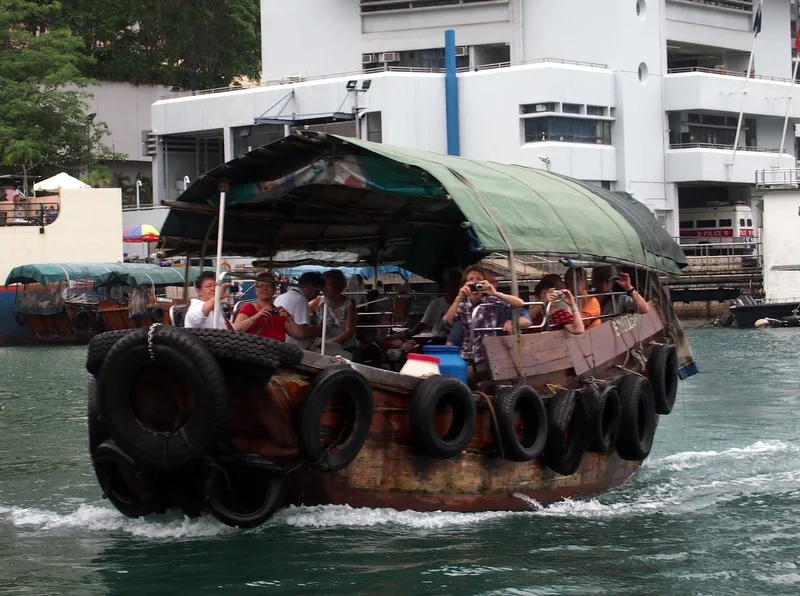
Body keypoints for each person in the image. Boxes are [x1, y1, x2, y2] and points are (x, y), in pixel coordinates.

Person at [443, 265, 525, 376]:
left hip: (489, 356)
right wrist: (458, 298)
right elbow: (446, 321)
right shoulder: (463, 304)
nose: (475, 282)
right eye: (471, 279)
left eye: (478, 279)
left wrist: (495, 293)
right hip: (468, 356)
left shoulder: (491, 300)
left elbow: (520, 303)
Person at [233, 272, 302, 341]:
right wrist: (257, 316)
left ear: (274, 289)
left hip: (276, 347)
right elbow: (236, 329)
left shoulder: (280, 312)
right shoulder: (248, 307)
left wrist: (289, 319)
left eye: (268, 285)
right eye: (261, 286)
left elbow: (298, 334)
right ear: (256, 289)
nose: (265, 288)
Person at [309, 269, 361, 361]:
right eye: (323, 285)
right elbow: (304, 315)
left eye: (328, 284)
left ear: (337, 285)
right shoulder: (317, 301)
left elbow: (349, 331)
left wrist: (331, 344)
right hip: (320, 345)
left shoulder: (349, 303)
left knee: (355, 359)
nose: (324, 288)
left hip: (345, 345)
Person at [404, 268, 462, 340]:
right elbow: (422, 325)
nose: (452, 287)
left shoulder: (467, 304)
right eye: (448, 284)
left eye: (455, 284)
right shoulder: (436, 303)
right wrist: (408, 334)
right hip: (438, 341)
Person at [274, 271, 324, 349]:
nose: (316, 296)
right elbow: (301, 333)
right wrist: (317, 330)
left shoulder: (281, 297)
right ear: (310, 287)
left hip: (281, 345)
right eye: (317, 292)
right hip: (295, 349)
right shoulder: (300, 300)